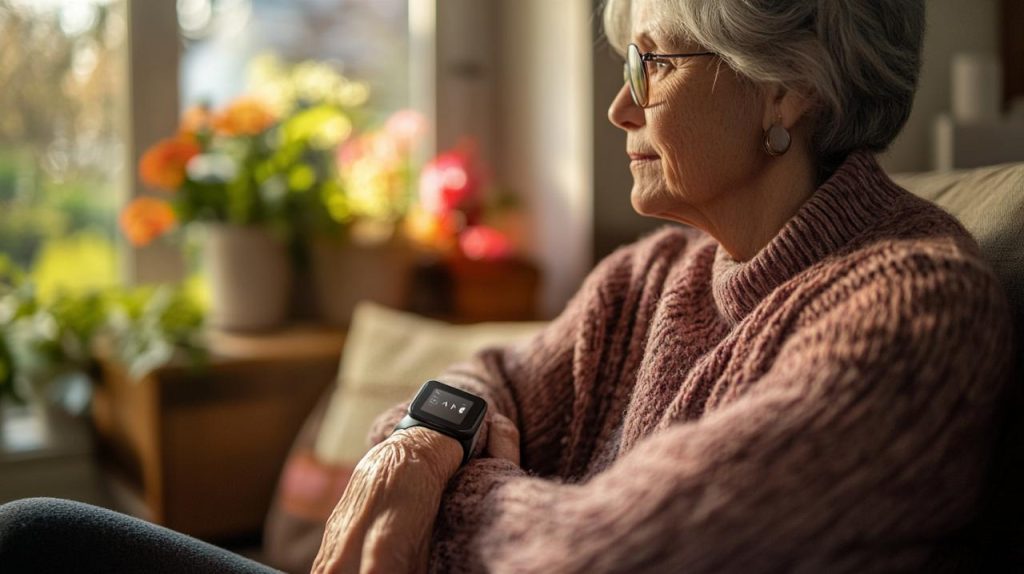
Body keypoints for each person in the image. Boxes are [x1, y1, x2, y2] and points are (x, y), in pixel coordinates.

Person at [0, 0, 1013, 572]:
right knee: (37, 537)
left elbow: (621, 554)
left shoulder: (913, 309)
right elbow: (485, 370)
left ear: (784, 87)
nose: (619, 107)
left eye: (652, 63)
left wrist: (459, 488)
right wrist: (419, 440)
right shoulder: (652, 275)